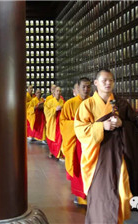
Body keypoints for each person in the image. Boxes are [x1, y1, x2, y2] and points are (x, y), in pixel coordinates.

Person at [74, 69, 138, 224]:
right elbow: (80, 130)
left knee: (120, 190)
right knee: (100, 193)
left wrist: (123, 124)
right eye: (104, 80)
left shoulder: (122, 104)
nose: (108, 83)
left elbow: (135, 126)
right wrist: (100, 126)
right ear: (96, 83)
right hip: (97, 156)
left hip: (119, 154)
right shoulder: (87, 105)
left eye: (111, 80)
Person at [60, 77, 91, 206]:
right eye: (83, 86)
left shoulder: (94, 102)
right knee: (79, 169)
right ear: (77, 88)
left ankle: (92, 195)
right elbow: (63, 123)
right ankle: (80, 196)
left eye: (88, 87)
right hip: (77, 142)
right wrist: (78, 125)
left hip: (91, 142)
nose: (86, 89)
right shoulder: (70, 104)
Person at [44, 86, 65, 158]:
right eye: (57, 91)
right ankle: (52, 151)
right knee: (52, 138)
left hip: (60, 123)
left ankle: (59, 154)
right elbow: (46, 112)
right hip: (53, 122)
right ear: (54, 92)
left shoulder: (62, 101)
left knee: (60, 138)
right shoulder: (50, 102)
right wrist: (55, 109)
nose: (59, 93)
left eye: (60, 91)